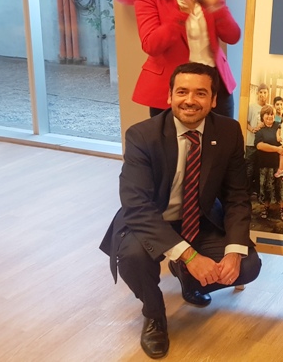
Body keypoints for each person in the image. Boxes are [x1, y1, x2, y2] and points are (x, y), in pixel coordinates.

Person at [99, 63, 261, 359]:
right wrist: (190, 255)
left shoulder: (227, 131)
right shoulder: (142, 136)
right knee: (132, 257)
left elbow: (237, 195)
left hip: (198, 219)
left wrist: (234, 250)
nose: (190, 100)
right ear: (169, 96)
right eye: (182, 91)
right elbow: (136, 206)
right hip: (151, 221)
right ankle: (155, 315)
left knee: (248, 266)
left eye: (201, 93)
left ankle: (186, 276)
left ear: (213, 101)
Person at [132, 0, 240, 118]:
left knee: (220, 146)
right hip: (173, 90)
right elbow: (151, 44)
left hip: (214, 86)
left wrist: (215, 5)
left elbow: (233, 36)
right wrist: (183, 13)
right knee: (174, 148)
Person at [255, 105, 283, 221]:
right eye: (267, 114)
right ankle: (265, 207)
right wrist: (277, 149)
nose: (269, 116)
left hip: (280, 165)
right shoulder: (260, 131)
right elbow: (259, 145)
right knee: (266, 187)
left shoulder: (280, 126)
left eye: (271, 114)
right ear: (262, 116)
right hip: (265, 164)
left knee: (282, 186)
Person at [245, 83, 269, 197]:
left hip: (263, 143)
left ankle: (259, 192)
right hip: (250, 142)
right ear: (257, 93)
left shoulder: (268, 108)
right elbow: (245, 122)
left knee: (260, 168)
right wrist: (252, 129)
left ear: (268, 94)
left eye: (265, 92)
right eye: (261, 92)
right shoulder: (251, 107)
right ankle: (247, 192)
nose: (263, 95)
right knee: (249, 167)